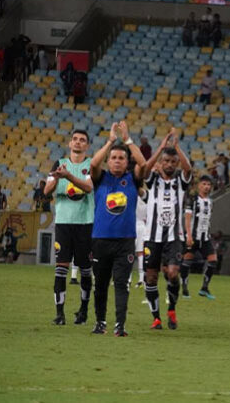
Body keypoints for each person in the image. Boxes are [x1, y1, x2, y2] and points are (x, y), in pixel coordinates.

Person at [88, 121, 147, 336]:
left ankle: (120, 325)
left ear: (127, 161)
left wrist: (128, 140)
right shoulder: (101, 178)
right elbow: (94, 164)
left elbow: (144, 163)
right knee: (101, 284)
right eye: (113, 158)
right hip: (101, 240)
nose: (116, 161)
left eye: (121, 158)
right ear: (108, 160)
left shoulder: (133, 179)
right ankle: (100, 322)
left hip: (125, 242)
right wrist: (111, 141)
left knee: (122, 284)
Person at [141, 129, 193, 330]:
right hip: (152, 237)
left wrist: (177, 148)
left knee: (172, 273)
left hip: (174, 237)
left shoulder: (180, 181)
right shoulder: (153, 180)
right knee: (151, 277)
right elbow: (144, 170)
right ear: (160, 163)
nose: (169, 164)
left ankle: (171, 309)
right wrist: (161, 148)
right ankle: (156, 318)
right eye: (166, 161)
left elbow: (188, 170)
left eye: (173, 162)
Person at [44, 129, 95, 326]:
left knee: (85, 269)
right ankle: (59, 314)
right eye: (75, 139)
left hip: (85, 223)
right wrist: (57, 177)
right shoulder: (58, 164)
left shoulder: (91, 165)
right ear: (69, 143)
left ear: (87, 146)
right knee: (61, 267)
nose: (78, 143)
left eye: (82, 140)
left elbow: (89, 187)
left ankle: (83, 311)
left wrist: (68, 177)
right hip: (64, 222)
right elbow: (47, 191)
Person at [181, 176, 216, 299]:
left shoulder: (211, 201)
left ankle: (204, 288)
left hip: (205, 237)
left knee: (213, 260)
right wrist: (189, 235)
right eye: (204, 184)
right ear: (199, 186)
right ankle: (184, 289)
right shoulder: (193, 200)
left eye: (208, 184)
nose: (207, 187)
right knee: (187, 261)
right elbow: (188, 218)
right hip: (193, 237)